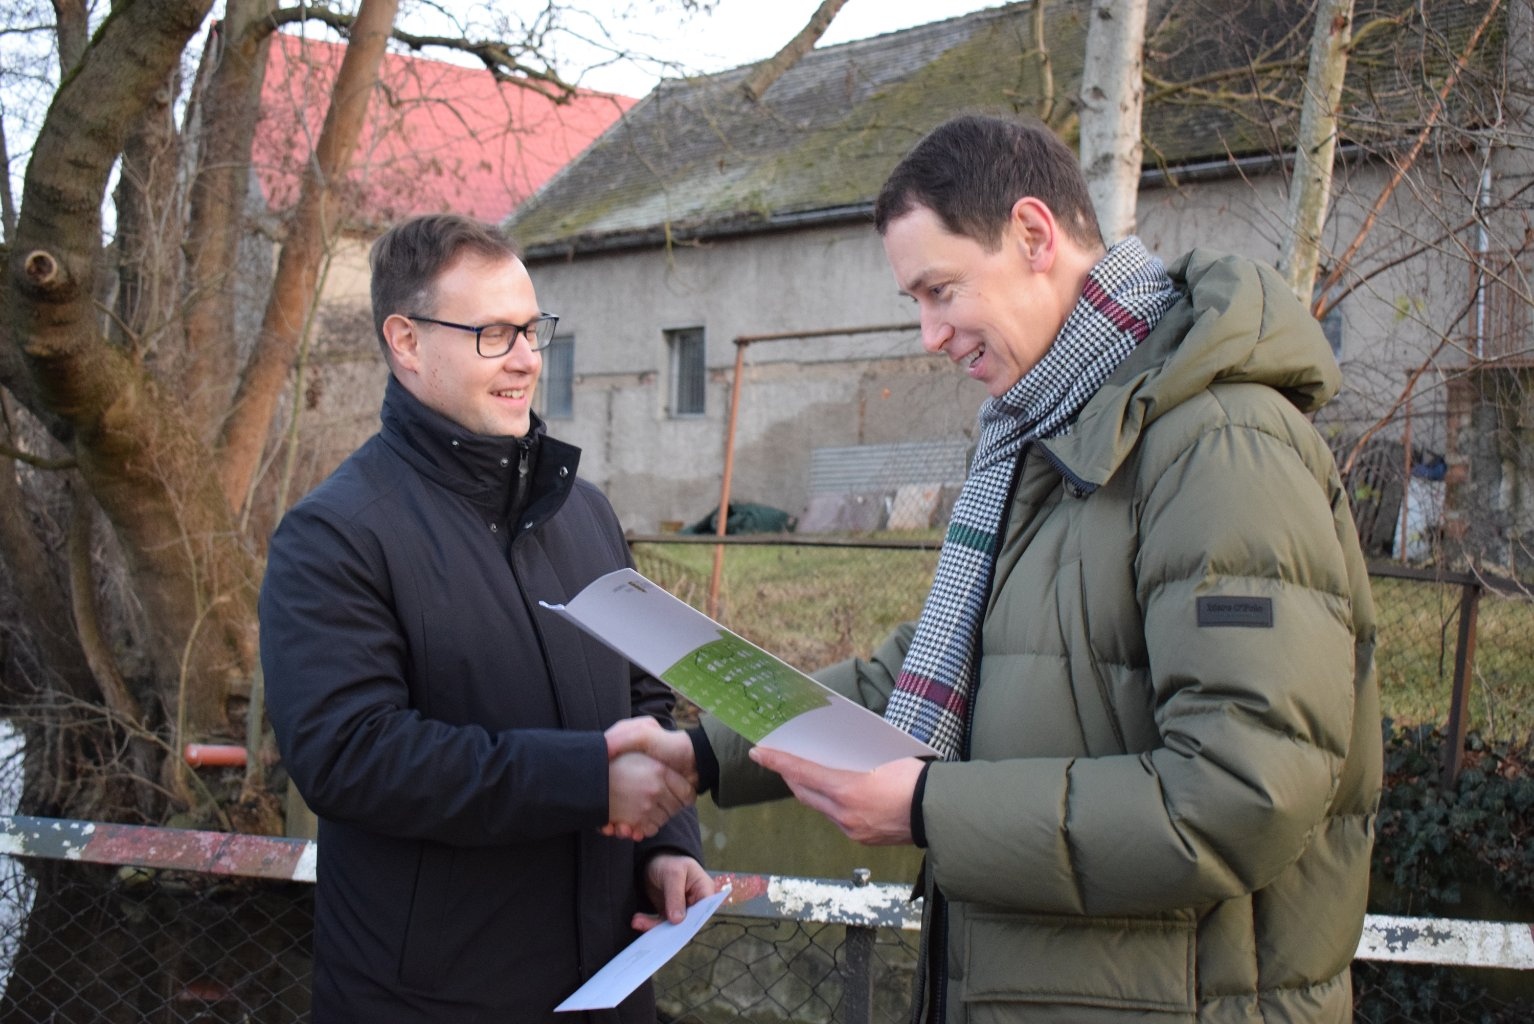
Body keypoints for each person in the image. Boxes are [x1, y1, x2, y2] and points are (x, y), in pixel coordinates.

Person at [675, 114, 1381, 1023]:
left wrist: (929, 809)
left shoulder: (1221, 447)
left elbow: (1244, 792)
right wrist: (703, 751)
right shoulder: (1050, 437)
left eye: (940, 291)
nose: (929, 335)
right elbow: (939, 668)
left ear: (1035, 236)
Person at [260, 213, 712, 1024]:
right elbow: (351, 755)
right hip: (432, 1001)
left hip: (608, 987)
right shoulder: (335, 535)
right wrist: (588, 781)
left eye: (533, 330)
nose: (528, 358)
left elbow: (644, 698)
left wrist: (666, 841)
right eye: (494, 334)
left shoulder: (585, 513)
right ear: (406, 341)